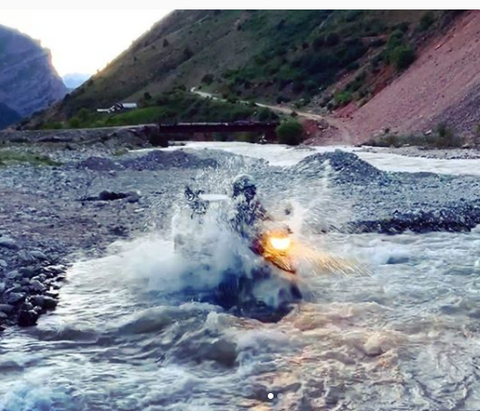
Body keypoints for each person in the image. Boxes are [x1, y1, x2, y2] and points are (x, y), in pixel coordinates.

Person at [229, 174, 269, 239]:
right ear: (240, 191)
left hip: (255, 237)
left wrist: (278, 226)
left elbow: (265, 215)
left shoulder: (254, 203)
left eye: (253, 188)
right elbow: (235, 227)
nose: (253, 192)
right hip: (240, 240)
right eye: (249, 190)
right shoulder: (234, 208)